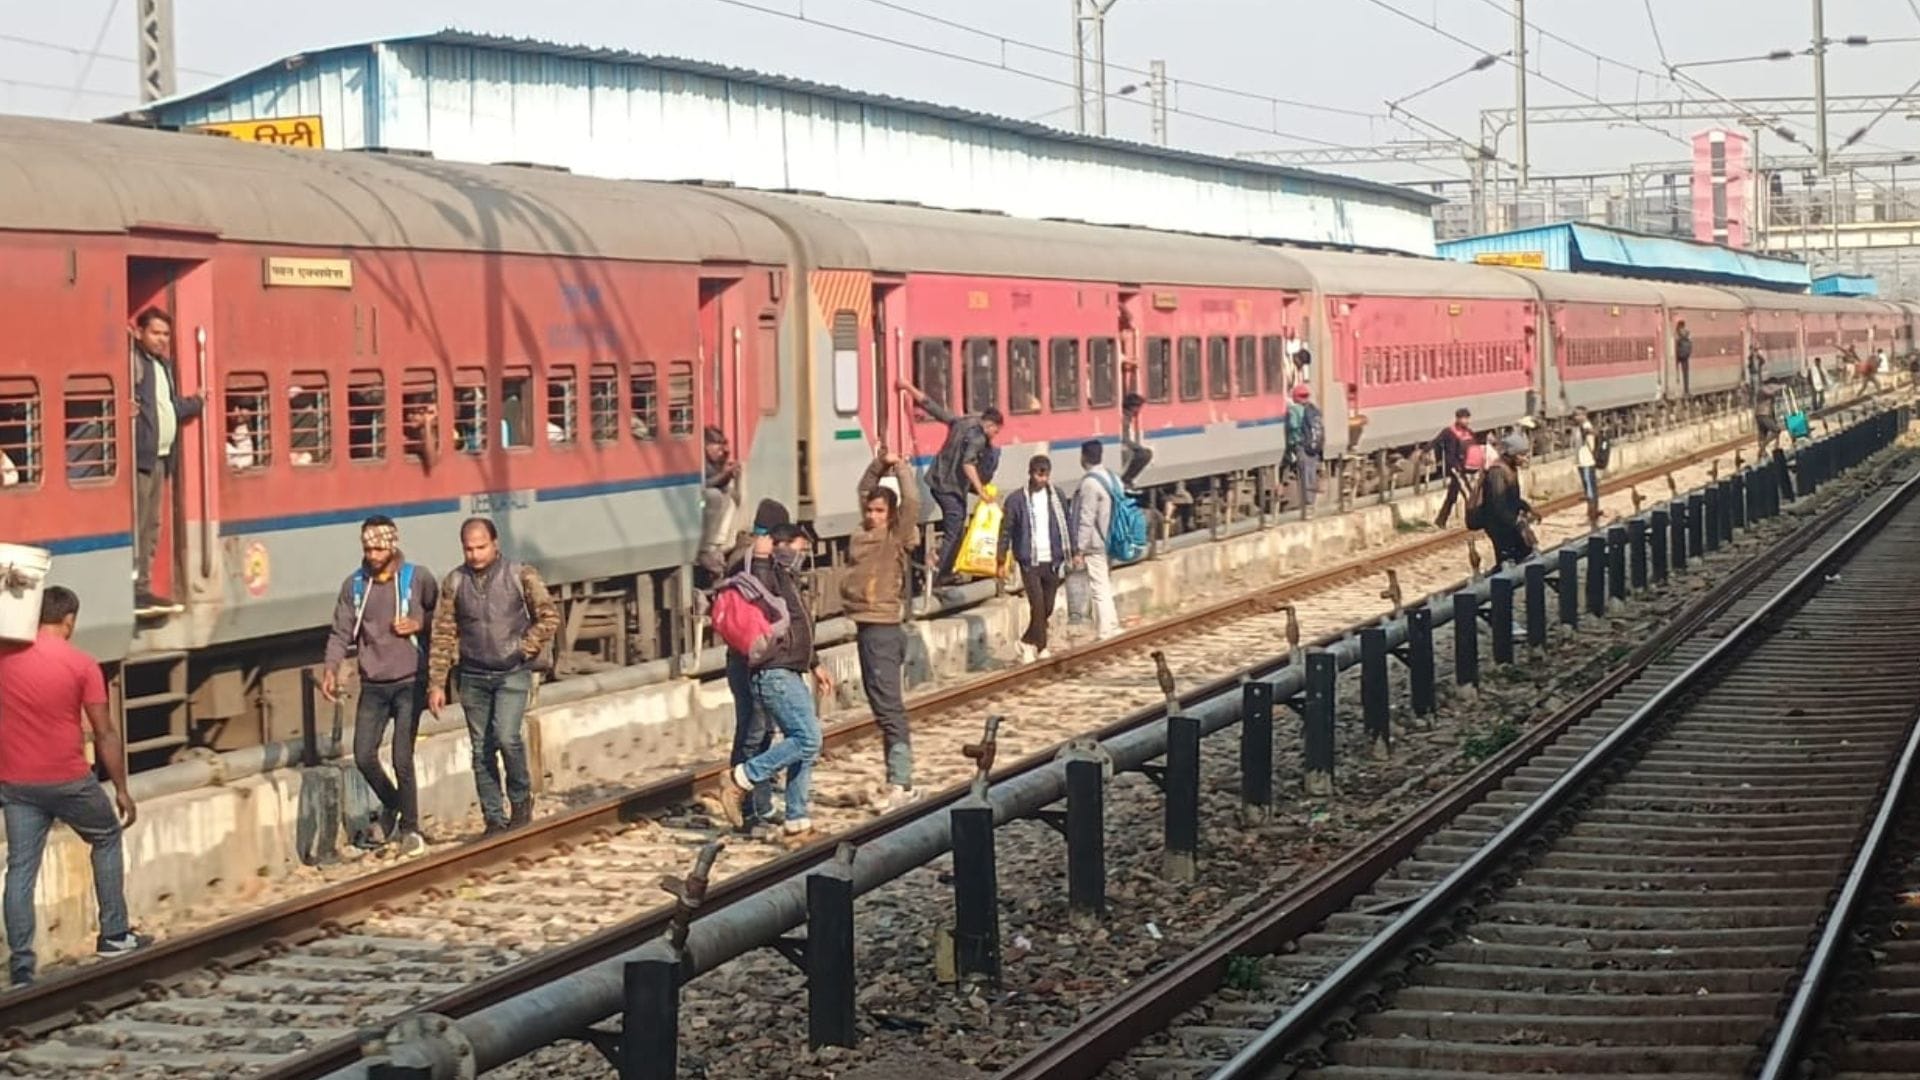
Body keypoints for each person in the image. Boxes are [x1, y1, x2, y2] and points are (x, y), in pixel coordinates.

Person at [0, 587, 146, 986]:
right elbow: (105, 734)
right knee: (107, 837)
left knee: (20, 869)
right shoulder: (82, 664)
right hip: (68, 780)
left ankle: (22, 965)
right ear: (69, 621)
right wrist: (120, 789)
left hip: (14, 782)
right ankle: (114, 935)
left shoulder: (5, 658)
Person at [426, 518, 561, 835]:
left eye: (480, 547)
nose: (474, 554)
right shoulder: (454, 582)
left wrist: (525, 647)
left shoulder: (520, 574)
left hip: (511, 671)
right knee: (480, 749)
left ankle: (520, 799)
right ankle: (493, 818)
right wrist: (436, 682)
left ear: (495, 543)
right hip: (472, 675)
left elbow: (549, 615)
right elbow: (443, 633)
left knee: (506, 737)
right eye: (468, 549)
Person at [321, 517, 439, 855]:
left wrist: (419, 623)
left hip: (409, 680)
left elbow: (441, 615)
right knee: (363, 755)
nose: (372, 555)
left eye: (378, 548)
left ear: (392, 545)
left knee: (403, 757)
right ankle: (395, 805)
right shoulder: (354, 586)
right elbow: (341, 632)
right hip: (373, 682)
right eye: (367, 548)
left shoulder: (418, 578)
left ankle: (410, 828)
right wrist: (331, 667)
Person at [720, 522, 833, 838]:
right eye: (800, 547)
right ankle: (741, 778)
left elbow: (797, 629)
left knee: (805, 742)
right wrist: (759, 556)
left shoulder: (788, 578)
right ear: (781, 545)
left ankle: (797, 820)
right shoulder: (768, 572)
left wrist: (814, 663)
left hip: (789, 669)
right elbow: (761, 593)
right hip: (775, 672)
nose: (803, 555)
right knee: (808, 739)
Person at [841, 451, 920, 809]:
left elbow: (913, 500)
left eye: (879, 511)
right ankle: (896, 779)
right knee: (880, 705)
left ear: (890, 515)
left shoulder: (895, 536)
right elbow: (862, 489)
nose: (872, 516)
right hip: (867, 626)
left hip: (884, 628)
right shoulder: (862, 534)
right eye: (870, 511)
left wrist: (900, 468)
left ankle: (902, 781)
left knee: (890, 708)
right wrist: (879, 465)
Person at [721, 499, 793, 830]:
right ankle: (746, 806)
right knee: (754, 731)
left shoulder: (743, 558)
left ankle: (758, 804)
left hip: (744, 658)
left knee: (758, 729)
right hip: (750, 659)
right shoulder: (751, 563)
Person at [130, 308, 204, 611]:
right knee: (139, 523)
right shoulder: (132, 362)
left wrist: (196, 402)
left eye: (165, 334)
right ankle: (135, 587)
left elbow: (167, 406)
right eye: (155, 333)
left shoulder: (163, 366)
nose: (161, 339)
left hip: (161, 456)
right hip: (141, 458)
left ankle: (143, 586)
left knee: (153, 524)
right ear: (140, 333)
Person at [898, 380, 1002, 585]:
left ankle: (942, 566)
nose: (994, 436)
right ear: (990, 425)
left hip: (936, 481)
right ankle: (939, 571)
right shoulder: (978, 438)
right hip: (950, 487)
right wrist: (981, 491)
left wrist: (908, 388)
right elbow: (968, 464)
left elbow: (933, 408)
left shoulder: (962, 422)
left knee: (957, 522)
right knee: (954, 528)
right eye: (995, 431)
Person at [1000, 454, 1073, 662]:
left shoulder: (1057, 496)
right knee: (1038, 605)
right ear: (1030, 473)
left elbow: (1066, 524)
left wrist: (1074, 551)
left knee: (1048, 605)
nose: (1042, 479)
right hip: (1029, 559)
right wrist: (1001, 557)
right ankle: (1041, 647)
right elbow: (1006, 530)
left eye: (1045, 475)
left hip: (1052, 559)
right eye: (1038, 474)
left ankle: (1026, 641)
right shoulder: (1016, 500)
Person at [1071, 440, 1123, 641]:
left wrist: (1079, 549)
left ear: (1084, 457)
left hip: (1095, 542)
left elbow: (1086, 518)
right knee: (1105, 583)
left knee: (1098, 586)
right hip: (1112, 538)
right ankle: (1113, 624)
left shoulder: (1090, 483)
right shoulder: (1112, 478)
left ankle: (1104, 631)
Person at [1480, 434, 1536, 566]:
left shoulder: (1510, 469)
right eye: (1521, 454)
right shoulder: (1497, 472)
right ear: (1511, 454)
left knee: (1524, 554)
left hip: (1509, 522)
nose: (1525, 458)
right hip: (1499, 526)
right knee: (1508, 561)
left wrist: (1526, 507)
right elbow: (1497, 503)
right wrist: (1515, 521)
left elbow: (1512, 498)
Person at [698, 426, 741, 579]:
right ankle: (707, 548)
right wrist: (725, 473)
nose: (721, 450)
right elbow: (705, 484)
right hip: (697, 504)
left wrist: (729, 474)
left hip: (707, 507)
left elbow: (720, 484)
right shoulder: (699, 459)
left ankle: (720, 544)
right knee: (714, 496)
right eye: (717, 445)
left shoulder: (716, 461)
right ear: (705, 444)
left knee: (731, 496)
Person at [1432, 407, 1476, 528]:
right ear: (1457, 419)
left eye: (1467, 418)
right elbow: (1435, 442)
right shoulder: (1449, 432)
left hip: (1464, 467)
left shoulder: (1469, 432)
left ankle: (1440, 520)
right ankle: (1474, 520)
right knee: (1469, 494)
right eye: (1463, 418)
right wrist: (1425, 452)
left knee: (1452, 496)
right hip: (1455, 468)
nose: (1466, 421)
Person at [1285, 383, 1324, 519]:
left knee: (1304, 473)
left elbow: (1293, 425)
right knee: (1311, 473)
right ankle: (1312, 503)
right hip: (1314, 447)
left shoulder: (1295, 410)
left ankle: (1306, 506)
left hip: (1301, 445)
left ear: (1295, 397)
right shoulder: (1313, 409)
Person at [1572, 406, 1601, 528]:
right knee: (1588, 490)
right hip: (1581, 462)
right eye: (1575, 415)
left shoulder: (1586, 427)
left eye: (1578, 414)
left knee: (1590, 491)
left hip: (1587, 462)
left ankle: (1592, 516)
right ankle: (1591, 514)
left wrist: (1592, 457)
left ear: (1585, 415)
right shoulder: (1579, 428)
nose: (1576, 417)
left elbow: (1593, 442)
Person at [1119, 392, 1153, 489]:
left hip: (1125, 445)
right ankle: (1126, 479)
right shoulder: (1125, 418)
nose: (1139, 410)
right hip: (1123, 446)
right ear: (1133, 407)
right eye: (1138, 407)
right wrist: (1136, 447)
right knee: (1145, 454)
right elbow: (1123, 437)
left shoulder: (1126, 416)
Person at [1755, 379, 1784, 457]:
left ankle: (1762, 453)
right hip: (1763, 415)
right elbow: (1770, 392)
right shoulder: (1763, 389)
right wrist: (1779, 387)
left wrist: (1774, 419)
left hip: (1763, 415)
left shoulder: (1768, 391)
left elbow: (1772, 407)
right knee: (1776, 430)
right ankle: (1762, 449)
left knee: (1763, 435)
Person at [1674, 321, 1693, 398]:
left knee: (1676, 372)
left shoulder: (1676, 333)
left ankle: (1677, 389)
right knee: (1686, 374)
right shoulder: (1688, 333)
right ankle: (1686, 390)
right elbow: (1691, 343)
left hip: (1677, 356)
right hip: (1685, 356)